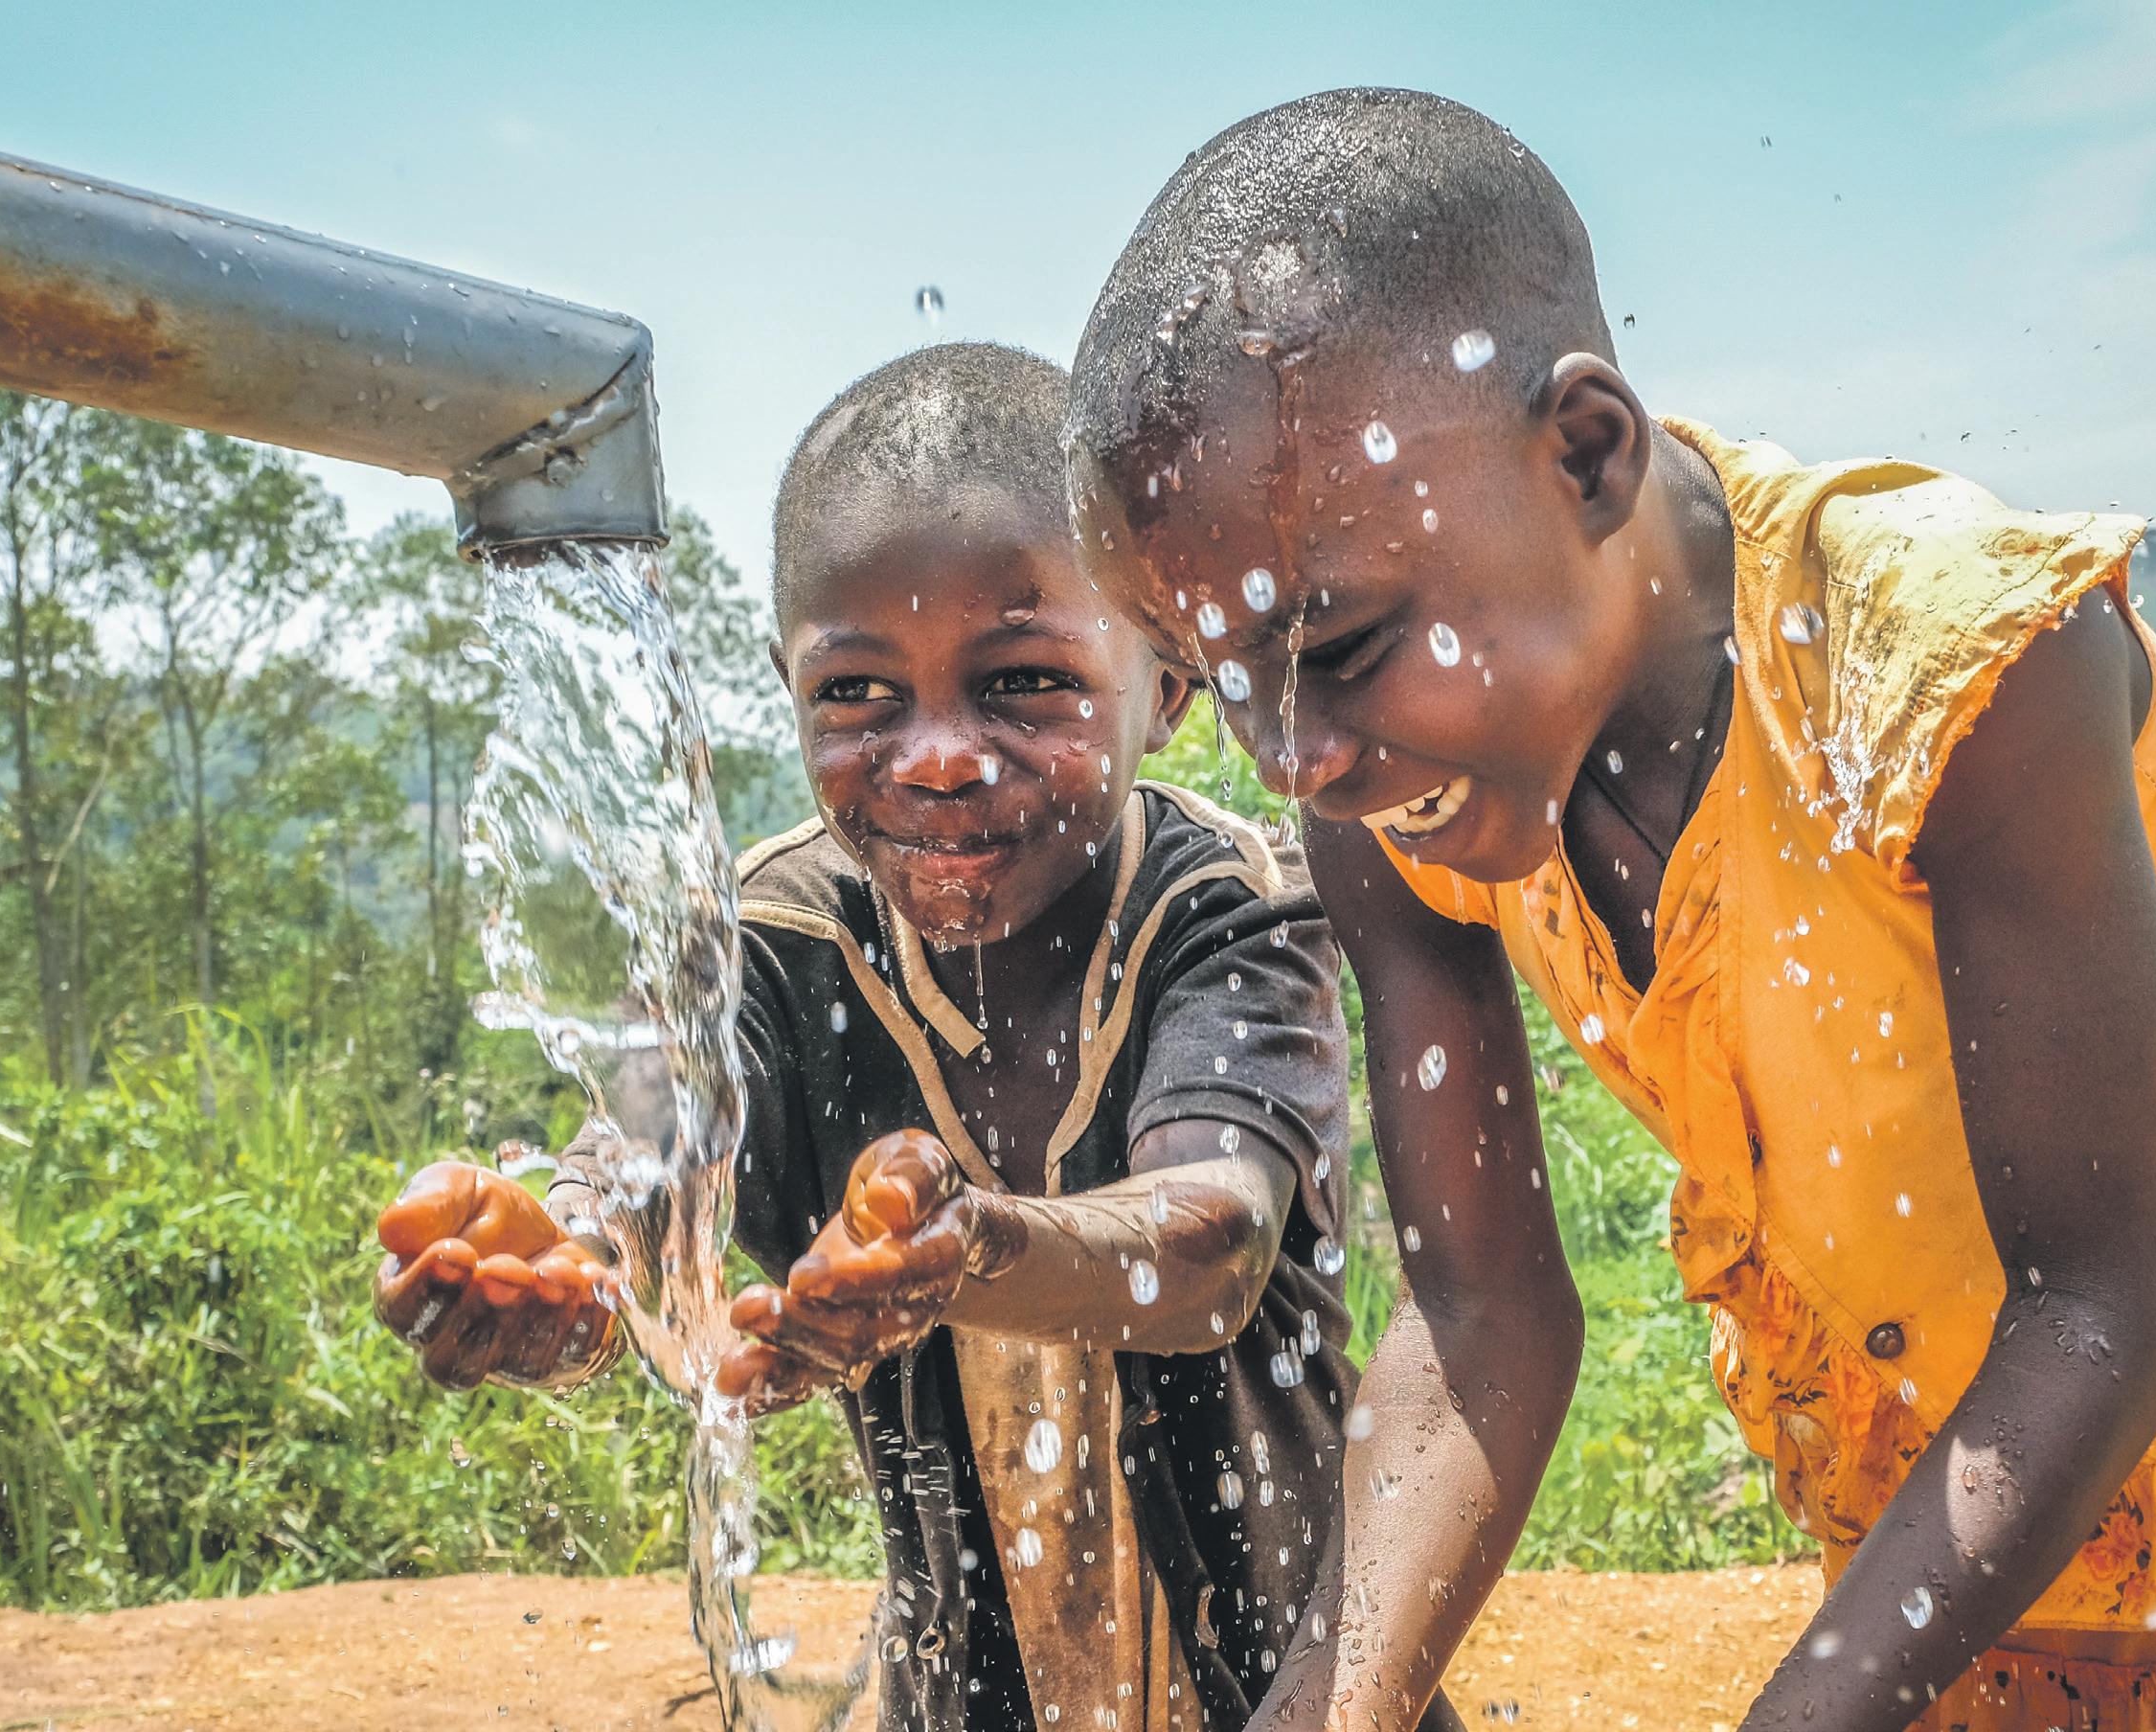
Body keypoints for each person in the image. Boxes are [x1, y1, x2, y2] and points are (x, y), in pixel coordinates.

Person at [1058, 86, 2156, 1732]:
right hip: (1969, 1543)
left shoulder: (1949, 677)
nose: (1292, 756)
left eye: (1339, 647)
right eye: (1220, 678)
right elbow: (1480, 1318)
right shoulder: (1392, 795)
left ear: (1586, 455)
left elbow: (2099, 1311)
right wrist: (1327, 1711)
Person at [375, 342, 1404, 1732]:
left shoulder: (1226, 909)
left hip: (1296, 1695)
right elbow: (648, 1149)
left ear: (1166, 680)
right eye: (857, 693)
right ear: (788, 684)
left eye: (1025, 680)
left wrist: (970, 1251)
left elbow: (1210, 1244)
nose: (935, 756)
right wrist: (575, 1256)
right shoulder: (772, 945)